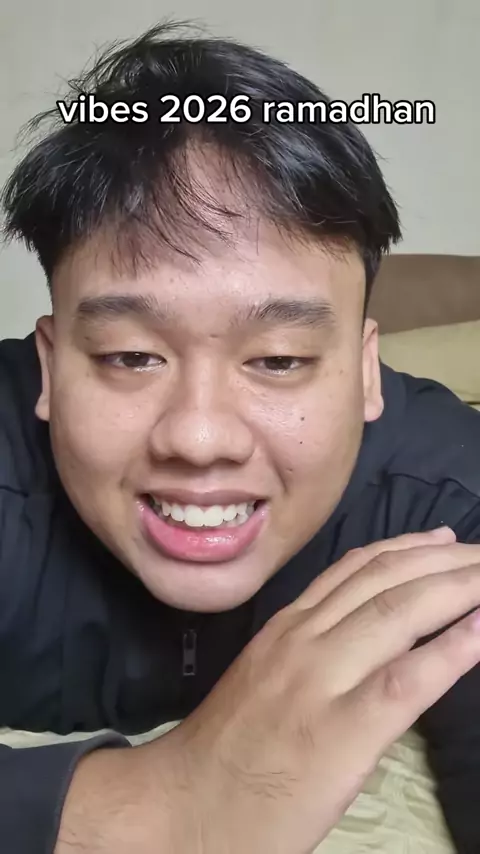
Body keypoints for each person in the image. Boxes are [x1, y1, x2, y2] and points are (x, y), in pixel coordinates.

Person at [1, 21, 480, 854]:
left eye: (280, 359)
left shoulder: (445, 502)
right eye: (130, 356)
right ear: (49, 364)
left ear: (367, 371)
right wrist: (147, 805)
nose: (198, 438)